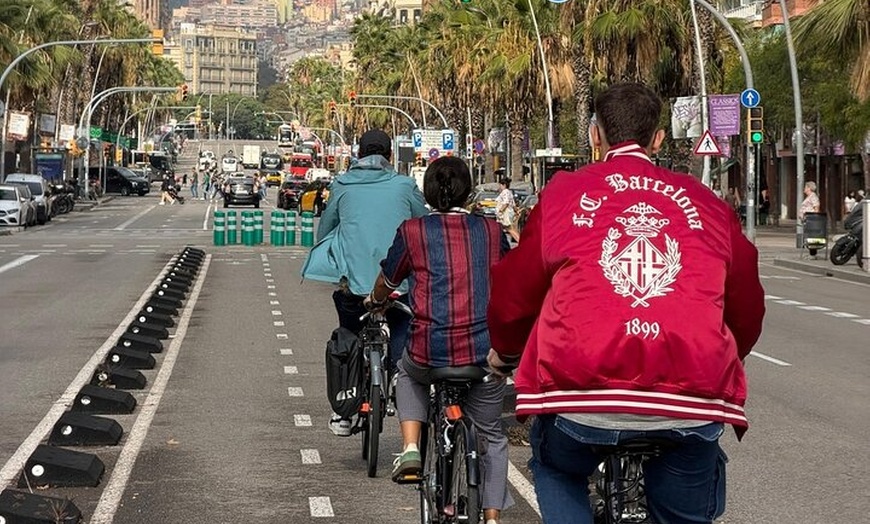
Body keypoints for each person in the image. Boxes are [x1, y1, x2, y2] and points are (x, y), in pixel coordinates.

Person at [486, 83, 765, 524]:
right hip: (689, 397)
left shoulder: (562, 195)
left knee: (556, 466)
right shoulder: (708, 203)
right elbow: (747, 304)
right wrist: (726, 354)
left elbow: (515, 293)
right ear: (657, 139)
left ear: (595, 134)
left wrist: (504, 352)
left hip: (582, 395)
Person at [365, 157, 512, 524]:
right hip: (483, 353)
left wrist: (377, 301)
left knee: (406, 374)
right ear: (471, 190)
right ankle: (492, 517)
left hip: (429, 351)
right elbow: (512, 279)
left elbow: (389, 279)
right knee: (491, 436)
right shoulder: (492, 232)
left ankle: (412, 448)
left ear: (427, 193)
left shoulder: (413, 231)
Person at [301, 128, 428, 436]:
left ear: (358, 154)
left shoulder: (342, 184)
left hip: (355, 285)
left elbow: (327, 227)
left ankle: (343, 411)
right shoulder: (404, 185)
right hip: (398, 283)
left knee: (348, 331)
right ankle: (399, 376)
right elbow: (423, 223)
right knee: (403, 322)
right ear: (389, 156)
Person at [799, 181, 821, 256]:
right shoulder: (809, 197)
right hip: (807, 220)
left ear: (809, 188)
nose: (804, 189)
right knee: (808, 236)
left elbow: (816, 207)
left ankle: (813, 254)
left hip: (811, 220)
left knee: (811, 236)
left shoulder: (813, 196)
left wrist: (814, 219)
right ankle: (811, 254)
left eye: (805, 187)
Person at [495, 177, 520, 243]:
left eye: (500, 185)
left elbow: (506, 203)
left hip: (505, 214)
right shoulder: (509, 192)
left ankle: (520, 241)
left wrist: (500, 211)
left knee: (510, 229)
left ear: (504, 185)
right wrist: (516, 211)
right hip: (508, 213)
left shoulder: (505, 192)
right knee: (505, 229)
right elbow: (513, 204)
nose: (499, 187)